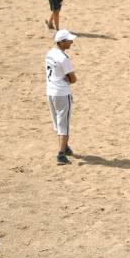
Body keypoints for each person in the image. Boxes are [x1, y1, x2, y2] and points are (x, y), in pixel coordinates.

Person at [46, 29, 78, 165]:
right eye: (69, 40)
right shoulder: (64, 59)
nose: (71, 42)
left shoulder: (50, 54)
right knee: (63, 123)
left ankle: (65, 146)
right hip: (62, 94)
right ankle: (61, 154)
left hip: (50, 92)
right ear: (62, 42)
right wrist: (67, 77)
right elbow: (73, 79)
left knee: (57, 122)